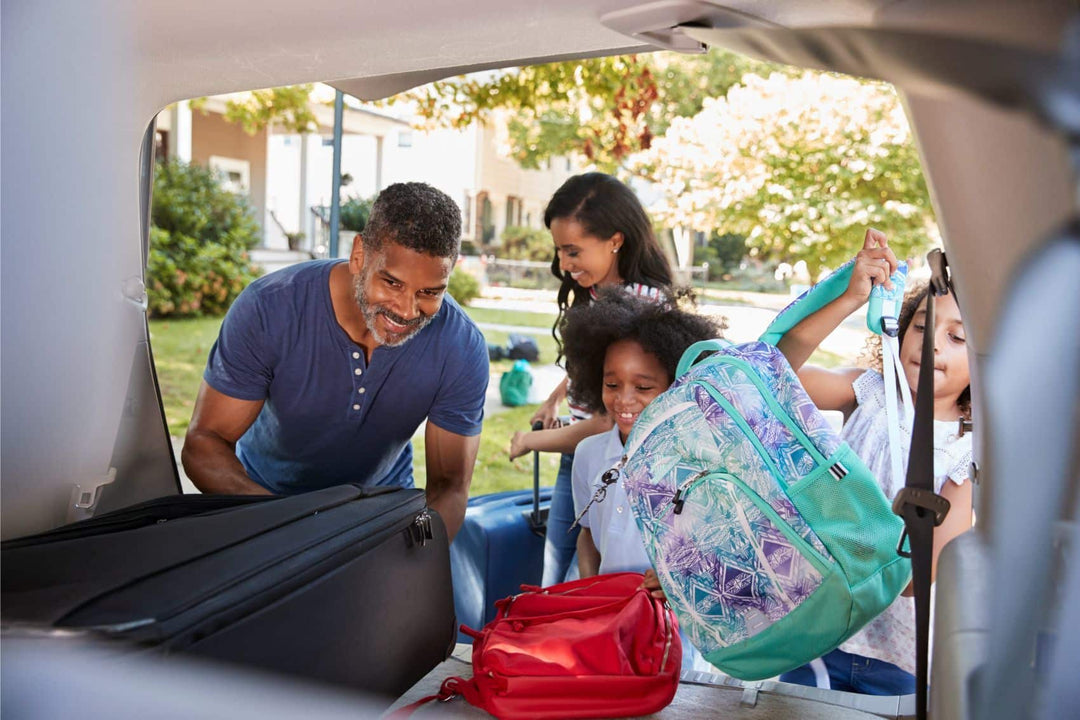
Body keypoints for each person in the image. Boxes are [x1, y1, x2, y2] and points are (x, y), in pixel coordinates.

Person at [181, 182, 488, 541]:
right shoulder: (269, 308)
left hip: (380, 510)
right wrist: (287, 530)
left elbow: (449, 487)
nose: (407, 310)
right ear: (359, 254)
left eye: (429, 293)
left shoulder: (461, 346)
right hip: (264, 503)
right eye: (391, 282)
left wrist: (414, 561)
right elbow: (204, 443)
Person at [773, 230, 975, 694]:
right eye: (922, 327)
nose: (933, 345)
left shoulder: (968, 454)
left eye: (957, 336)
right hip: (819, 635)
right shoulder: (869, 393)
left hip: (899, 660)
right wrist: (849, 298)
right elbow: (778, 367)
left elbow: (918, 579)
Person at [507, 172, 677, 586]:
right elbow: (596, 366)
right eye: (559, 251)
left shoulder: (641, 306)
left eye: (573, 251)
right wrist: (555, 398)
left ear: (615, 240)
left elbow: (610, 420)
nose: (563, 265)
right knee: (556, 580)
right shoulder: (600, 292)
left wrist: (530, 441)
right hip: (581, 458)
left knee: (581, 586)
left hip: (615, 466)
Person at [562, 289, 720, 671]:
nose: (624, 400)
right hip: (606, 619)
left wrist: (680, 585)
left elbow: (718, 552)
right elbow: (587, 533)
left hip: (675, 628)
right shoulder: (587, 455)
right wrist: (590, 592)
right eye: (612, 384)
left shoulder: (699, 462)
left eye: (644, 387)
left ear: (675, 386)